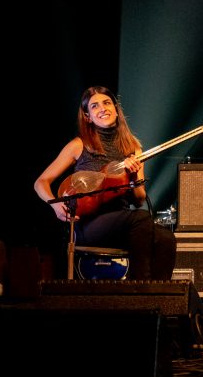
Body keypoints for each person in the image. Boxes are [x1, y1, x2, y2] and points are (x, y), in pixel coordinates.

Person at [34, 86, 176, 280]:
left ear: (116, 110)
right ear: (87, 116)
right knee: (141, 219)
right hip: (87, 225)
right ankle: (139, 290)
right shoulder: (79, 145)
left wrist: (134, 178)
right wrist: (55, 204)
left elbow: (139, 199)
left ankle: (160, 298)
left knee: (166, 238)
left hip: (126, 223)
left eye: (107, 103)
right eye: (94, 106)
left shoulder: (133, 148)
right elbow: (41, 182)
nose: (103, 108)